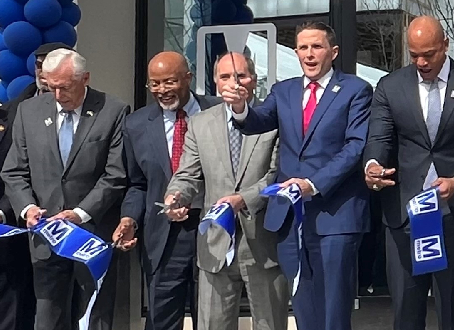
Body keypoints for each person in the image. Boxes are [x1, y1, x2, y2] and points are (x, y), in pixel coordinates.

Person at [220, 21, 372, 330]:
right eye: (303, 47)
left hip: (336, 216)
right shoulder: (284, 90)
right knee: (302, 303)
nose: (309, 54)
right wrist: (239, 107)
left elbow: (355, 147)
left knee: (333, 306)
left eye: (317, 47)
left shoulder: (355, 90)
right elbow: (256, 121)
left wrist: (314, 185)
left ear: (333, 51)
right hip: (291, 219)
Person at [363, 16, 454, 330]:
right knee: (406, 315)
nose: (421, 62)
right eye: (414, 55)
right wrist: (373, 166)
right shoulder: (390, 86)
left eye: (429, 54)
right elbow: (379, 139)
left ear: (445, 46)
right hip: (404, 217)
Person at [0, 48, 129, 330]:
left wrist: (80, 214)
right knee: (47, 319)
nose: (58, 96)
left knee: (94, 317)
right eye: (51, 87)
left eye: (65, 87)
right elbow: (14, 171)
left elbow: (115, 173)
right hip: (45, 235)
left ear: (85, 78)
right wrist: (27, 208)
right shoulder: (28, 112)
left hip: (91, 234)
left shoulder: (113, 110)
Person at [164, 52, 289, 330]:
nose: (234, 83)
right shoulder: (199, 123)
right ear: (215, 83)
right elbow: (187, 174)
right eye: (225, 77)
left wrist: (243, 200)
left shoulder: (273, 121)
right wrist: (176, 197)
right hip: (215, 245)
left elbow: (277, 175)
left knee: (271, 324)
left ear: (254, 81)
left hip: (262, 242)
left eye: (241, 76)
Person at [115, 52, 221, 330]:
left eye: (170, 82)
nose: (162, 90)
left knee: (213, 319)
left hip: (213, 228)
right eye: (155, 84)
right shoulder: (136, 125)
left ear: (188, 78)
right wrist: (129, 219)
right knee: (161, 319)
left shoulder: (219, 112)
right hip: (163, 236)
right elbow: (137, 184)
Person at [0, 93, 35, 330]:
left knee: (7, 311)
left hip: (2, 237)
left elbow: (20, 174)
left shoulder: (10, 120)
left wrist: (1, 211)